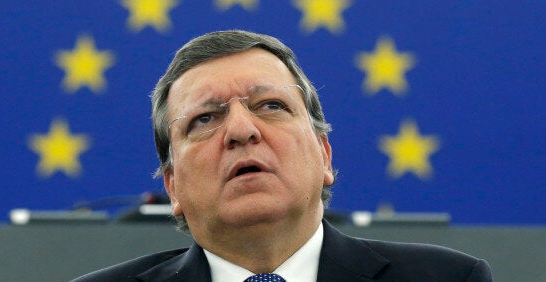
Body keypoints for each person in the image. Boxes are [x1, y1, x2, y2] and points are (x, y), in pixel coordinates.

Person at [73, 30, 492, 281]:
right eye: (204, 119)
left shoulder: (448, 279)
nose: (241, 130)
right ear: (173, 186)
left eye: (271, 106)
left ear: (324, 156)